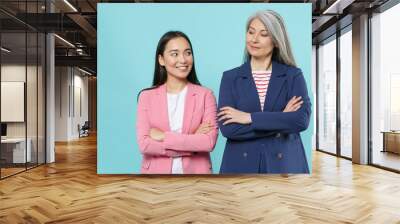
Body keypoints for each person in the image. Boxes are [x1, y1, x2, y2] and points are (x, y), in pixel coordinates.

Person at [217, 10, 311, 174]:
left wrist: (249, 118)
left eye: (263, 34)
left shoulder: (293, 75)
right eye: (251, 31)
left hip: (285, 165)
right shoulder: (230, 77)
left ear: (275, 41)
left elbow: (300, 121)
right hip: (240, 163)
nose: (254, 39)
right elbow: (229, 129)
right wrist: (281, 118)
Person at [136, 31, 218, 174]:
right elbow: (144, 145)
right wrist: (192, 142)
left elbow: (208, 142)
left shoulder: (206, 95)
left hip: (197, 176)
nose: (183, 60)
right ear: (161, 60)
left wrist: (164, 136)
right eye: (174, 54)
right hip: (155, 178)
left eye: (187, 53)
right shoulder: (146, 96)